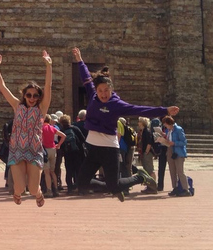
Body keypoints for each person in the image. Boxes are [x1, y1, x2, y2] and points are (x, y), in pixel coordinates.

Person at [73, 47, 177, 201]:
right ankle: (116, 188)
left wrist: (164, 110)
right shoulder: (92, 95)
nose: (103, 94)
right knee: (81, 183)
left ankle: (140, 177)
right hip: (93, 147)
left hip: (109, 148)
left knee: (113, 185)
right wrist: (80, 60)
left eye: (106, 90)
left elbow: (140, 110)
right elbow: (85, 76)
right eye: (100, 90)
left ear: (111, 89)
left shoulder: (117, 104)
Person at [0, 50, 53, 207]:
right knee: (19, 187)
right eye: (29, 95)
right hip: (17, 148)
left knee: (33, 189)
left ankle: (39, 192)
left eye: (35, 95)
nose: (32, 98)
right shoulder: (17, 105)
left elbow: (48, 86)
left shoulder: (42, 109)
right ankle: (17, 192)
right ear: (24, 95)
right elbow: (3, 87)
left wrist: (49, 66)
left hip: (34, 149)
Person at [158, 115, 192, 196]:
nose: (165, 126)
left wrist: (174, 143)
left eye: (165, 124)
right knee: (172, 171)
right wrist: (163, 138)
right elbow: (168, 139)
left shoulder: (178, 129)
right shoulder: (168, 130)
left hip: (178, 152)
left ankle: (186, 189)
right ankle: (175, 187)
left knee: (180, 171)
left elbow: (184, 142)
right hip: (170, 151)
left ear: (169, 123)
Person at [58, 114, 85, 194]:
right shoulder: (75, 128)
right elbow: (83, 139)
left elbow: (61, 143)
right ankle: (80, 188)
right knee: (78, 170)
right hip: (77, 152)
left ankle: (70, 189)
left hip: (67, 153)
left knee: (69, 171)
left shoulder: (61, 131)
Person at [42, 115, 66, 197]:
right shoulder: (52, 128)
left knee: (46, 172)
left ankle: (49, 190)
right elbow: (63, 136)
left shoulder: (41, 128)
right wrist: (58, 144)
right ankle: (56, 189)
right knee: (53, 171)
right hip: (53, 149)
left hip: (45, 150)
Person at [138, 117, 157, 194]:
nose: (138, 123)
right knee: (147, 170)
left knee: (150, 170)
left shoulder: (147, 131)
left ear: (142, 123)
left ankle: (153, 187)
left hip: (147, 153)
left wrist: (146, 152)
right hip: (144, 153)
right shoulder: (142, 131)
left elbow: (149, 143)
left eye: (139, 121)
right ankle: (150, 186)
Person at [151, 118, 167, 191]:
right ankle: (160, 185)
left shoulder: (168, 129)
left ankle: (177, 184)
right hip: (162, 149)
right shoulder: (160, 129)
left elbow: (169, 140)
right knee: (161, 168)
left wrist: (163, 135)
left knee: (175, 169)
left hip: (168, 149)